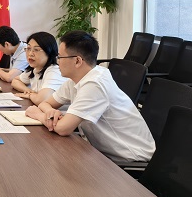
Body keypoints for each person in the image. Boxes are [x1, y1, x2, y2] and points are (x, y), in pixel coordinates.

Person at [25, 30, 155, 163]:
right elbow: (45, 103)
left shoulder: (95, 84)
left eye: (60, 57)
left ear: (77, 61)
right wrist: (50, 113)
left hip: (129, 159)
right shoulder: (75, 79)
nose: (58, 62)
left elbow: (63, 128)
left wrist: (38, 115)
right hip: (100, 153)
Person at [11, 32, 66, 105]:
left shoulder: (54, 71)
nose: (30, 54)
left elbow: (41, 100)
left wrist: (29, 95)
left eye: (36, 50)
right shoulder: (35, 68)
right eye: (28, 48)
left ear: (49, 51)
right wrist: (27, 90)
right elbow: (15, 81)